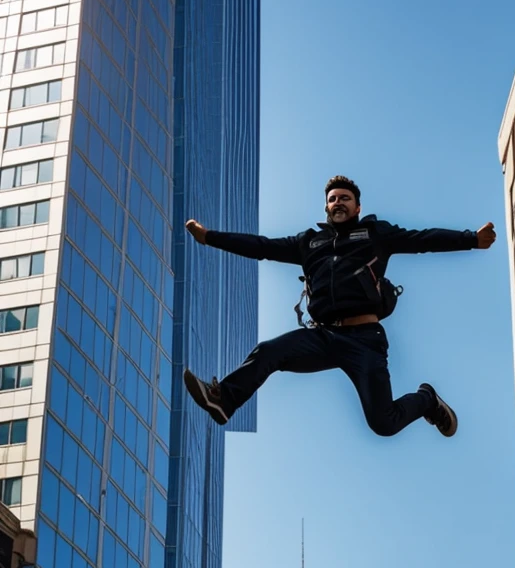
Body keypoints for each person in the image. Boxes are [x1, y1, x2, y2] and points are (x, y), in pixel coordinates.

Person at [183, 175, 496, 438]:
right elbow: (261, 247)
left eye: (345, 198)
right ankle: (224, 399)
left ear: (358, 207)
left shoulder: (376, 234)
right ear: (326, 207)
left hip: (365, 338)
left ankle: (427, 399)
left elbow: (423, 239)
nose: (338, 203)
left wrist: (471, 239)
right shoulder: (307, 243)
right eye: (333, 199)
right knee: (269, 351)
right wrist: (210, 237)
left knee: (383, 424)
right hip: (323, 337)